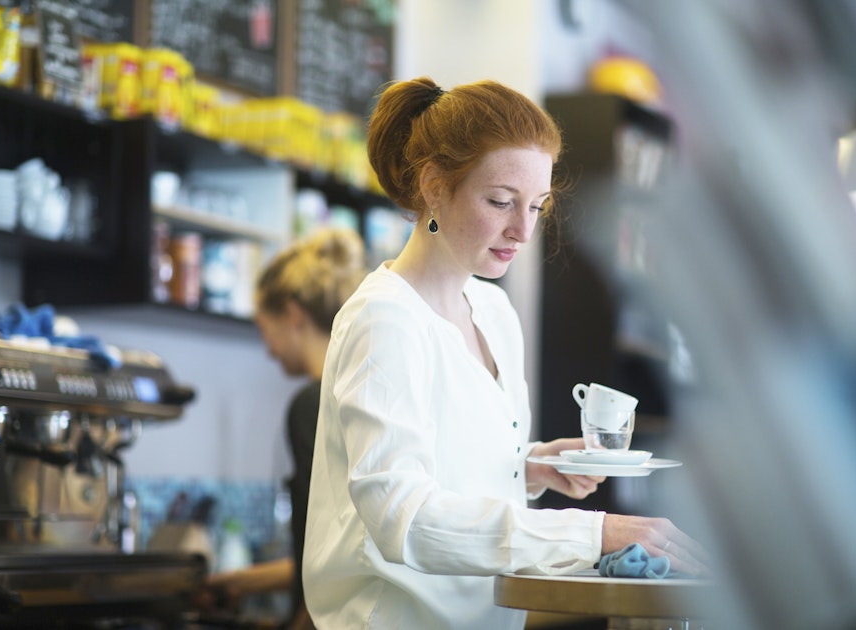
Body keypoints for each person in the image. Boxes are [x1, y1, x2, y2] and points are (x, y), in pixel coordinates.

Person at [302, 77, 708, 630]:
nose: (522, 230)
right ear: (434, 186)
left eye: (537, 207)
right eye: (501, 201)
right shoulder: (385, 319)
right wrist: (594, 533)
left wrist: (528, 466)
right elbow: (404, 516)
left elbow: (448, 466)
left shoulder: (493, 312)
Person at [203, 226, 367, 630]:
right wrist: (245, 580)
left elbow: (341, 560)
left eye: (265, 328)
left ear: (292, 314)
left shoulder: (314, 403)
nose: (268, 349)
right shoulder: (360, 388)